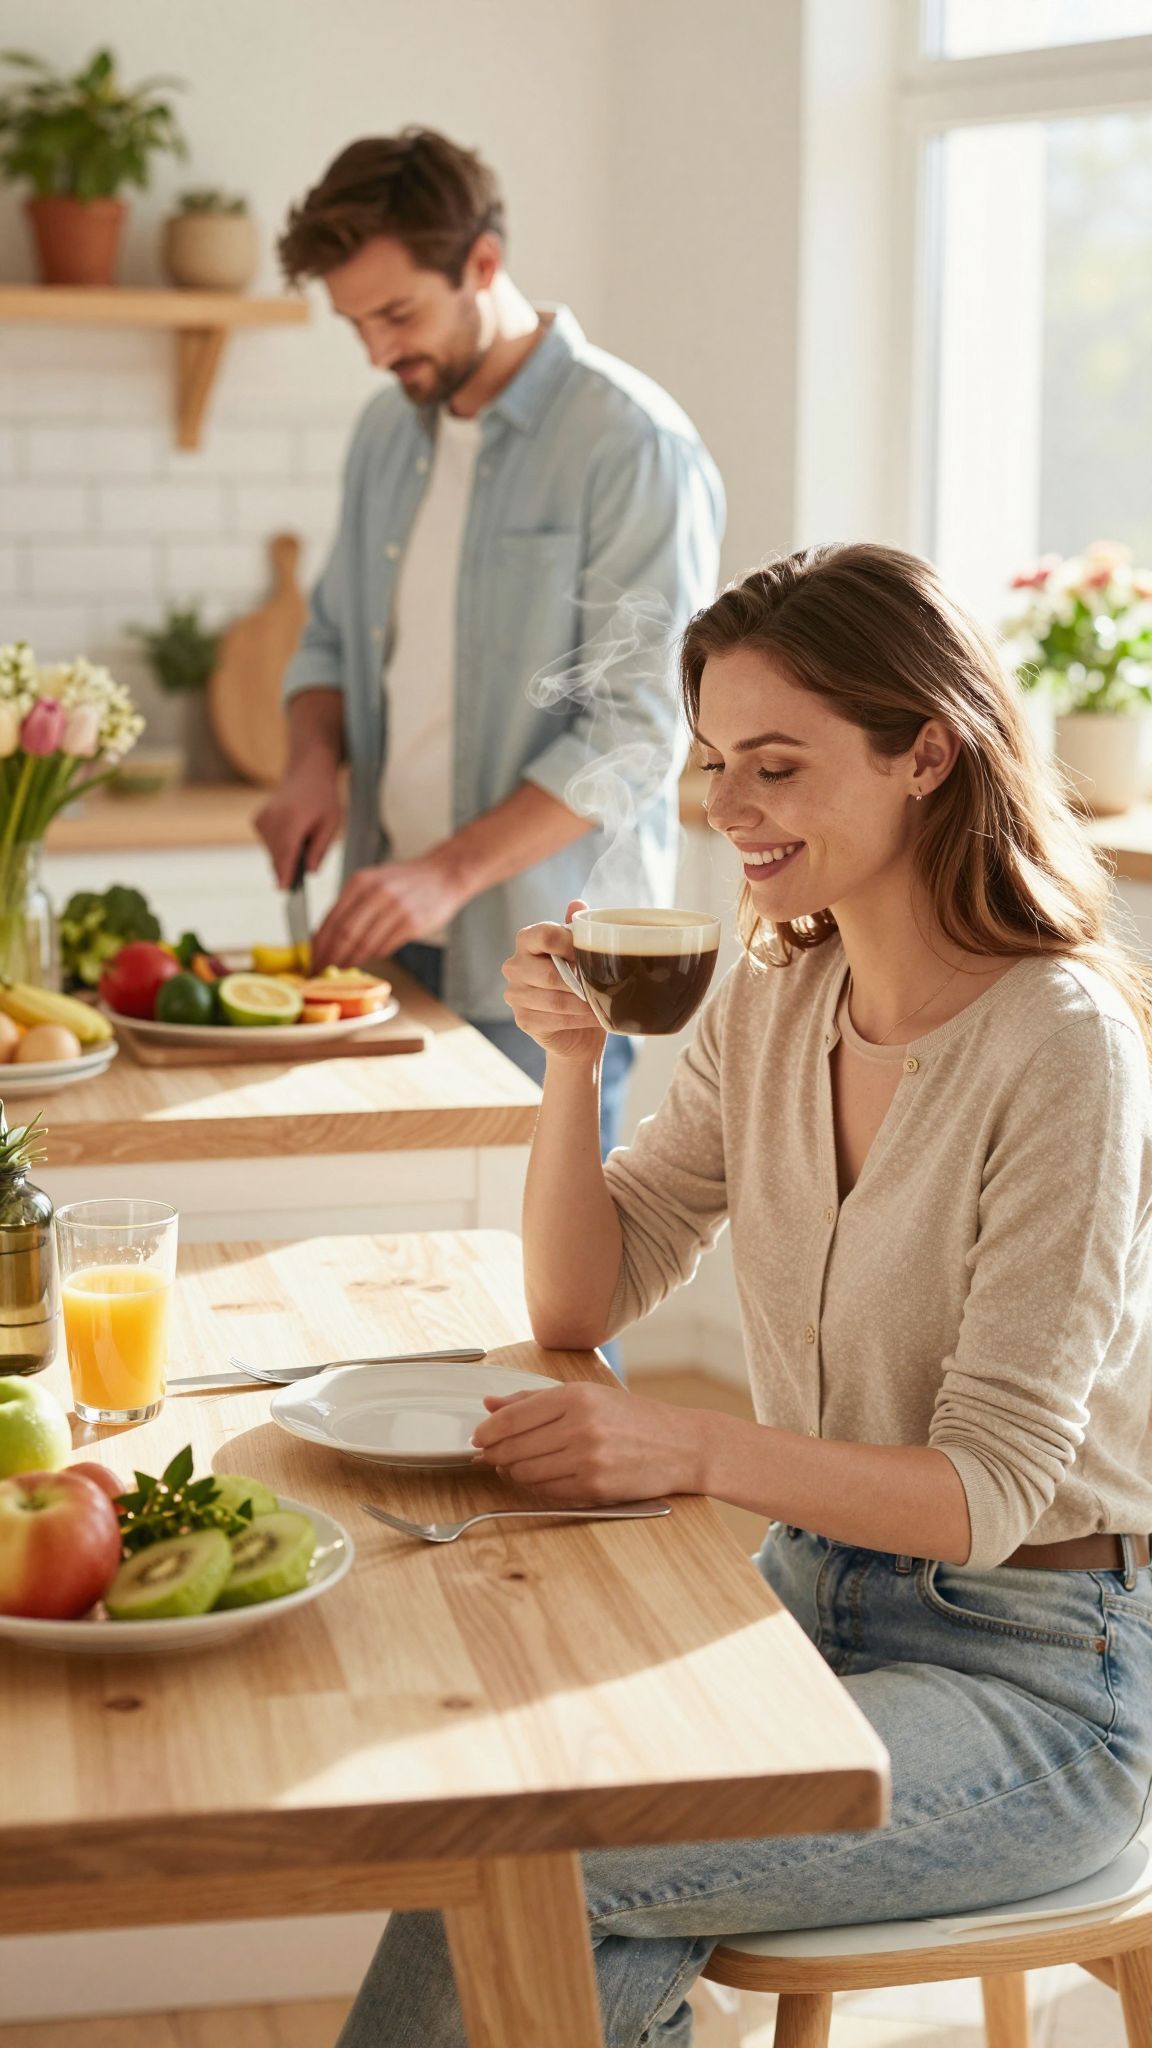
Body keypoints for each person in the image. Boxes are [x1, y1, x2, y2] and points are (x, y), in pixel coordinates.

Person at [335, 543, 1152, 2047]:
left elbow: (988, 1490)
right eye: (714, 762)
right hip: (805, 1609)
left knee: (567, 1862)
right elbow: (587, 1300)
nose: (725, 810)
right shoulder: (779, 990)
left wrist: (695, 1451)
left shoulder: (1064, 1050)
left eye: (774, 767)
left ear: (928, 754)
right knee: (497, 1816)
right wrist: (572, 1071)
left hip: (1039, 1685)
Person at [257, 126, 724, 1164]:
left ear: (482, 263)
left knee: (547, 1301)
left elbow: (640, 730)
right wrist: (308, 764)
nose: (379, 351)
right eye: (356, 324)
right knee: (395, 1276)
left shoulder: (631, 445)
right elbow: (330, 635)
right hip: (388, 939)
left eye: (398, 313)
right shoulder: (388, 431)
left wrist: (445, 872)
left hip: (549, 963)